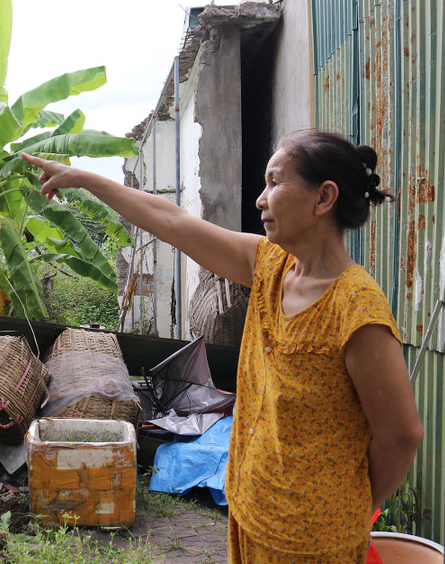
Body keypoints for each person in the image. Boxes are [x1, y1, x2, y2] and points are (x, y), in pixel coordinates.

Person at [22, 130, 423, 563]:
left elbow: (401, 435)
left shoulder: (356, 310)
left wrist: (347, 509)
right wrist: (85, 179)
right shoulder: (270, 265)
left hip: (314, 542)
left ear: (323, 198)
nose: (260, 199)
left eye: (275, 182)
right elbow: (172, 221)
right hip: (249, 509)